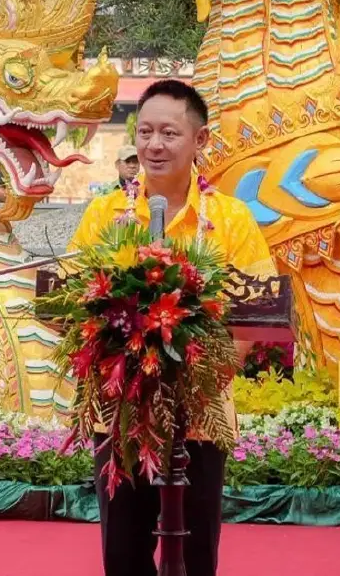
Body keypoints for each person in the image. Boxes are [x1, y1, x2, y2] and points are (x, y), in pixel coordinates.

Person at [66, 79, 276, 576]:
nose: (154, 145)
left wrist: (208, 375)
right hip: (119, 414)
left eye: (169, 133)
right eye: (145, 132)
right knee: (123, 553)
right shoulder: (105, 215)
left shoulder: (231, 220)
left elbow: (256, 310)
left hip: (201, 416)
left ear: (200, 141)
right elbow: (73, 306)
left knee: (197, 551)